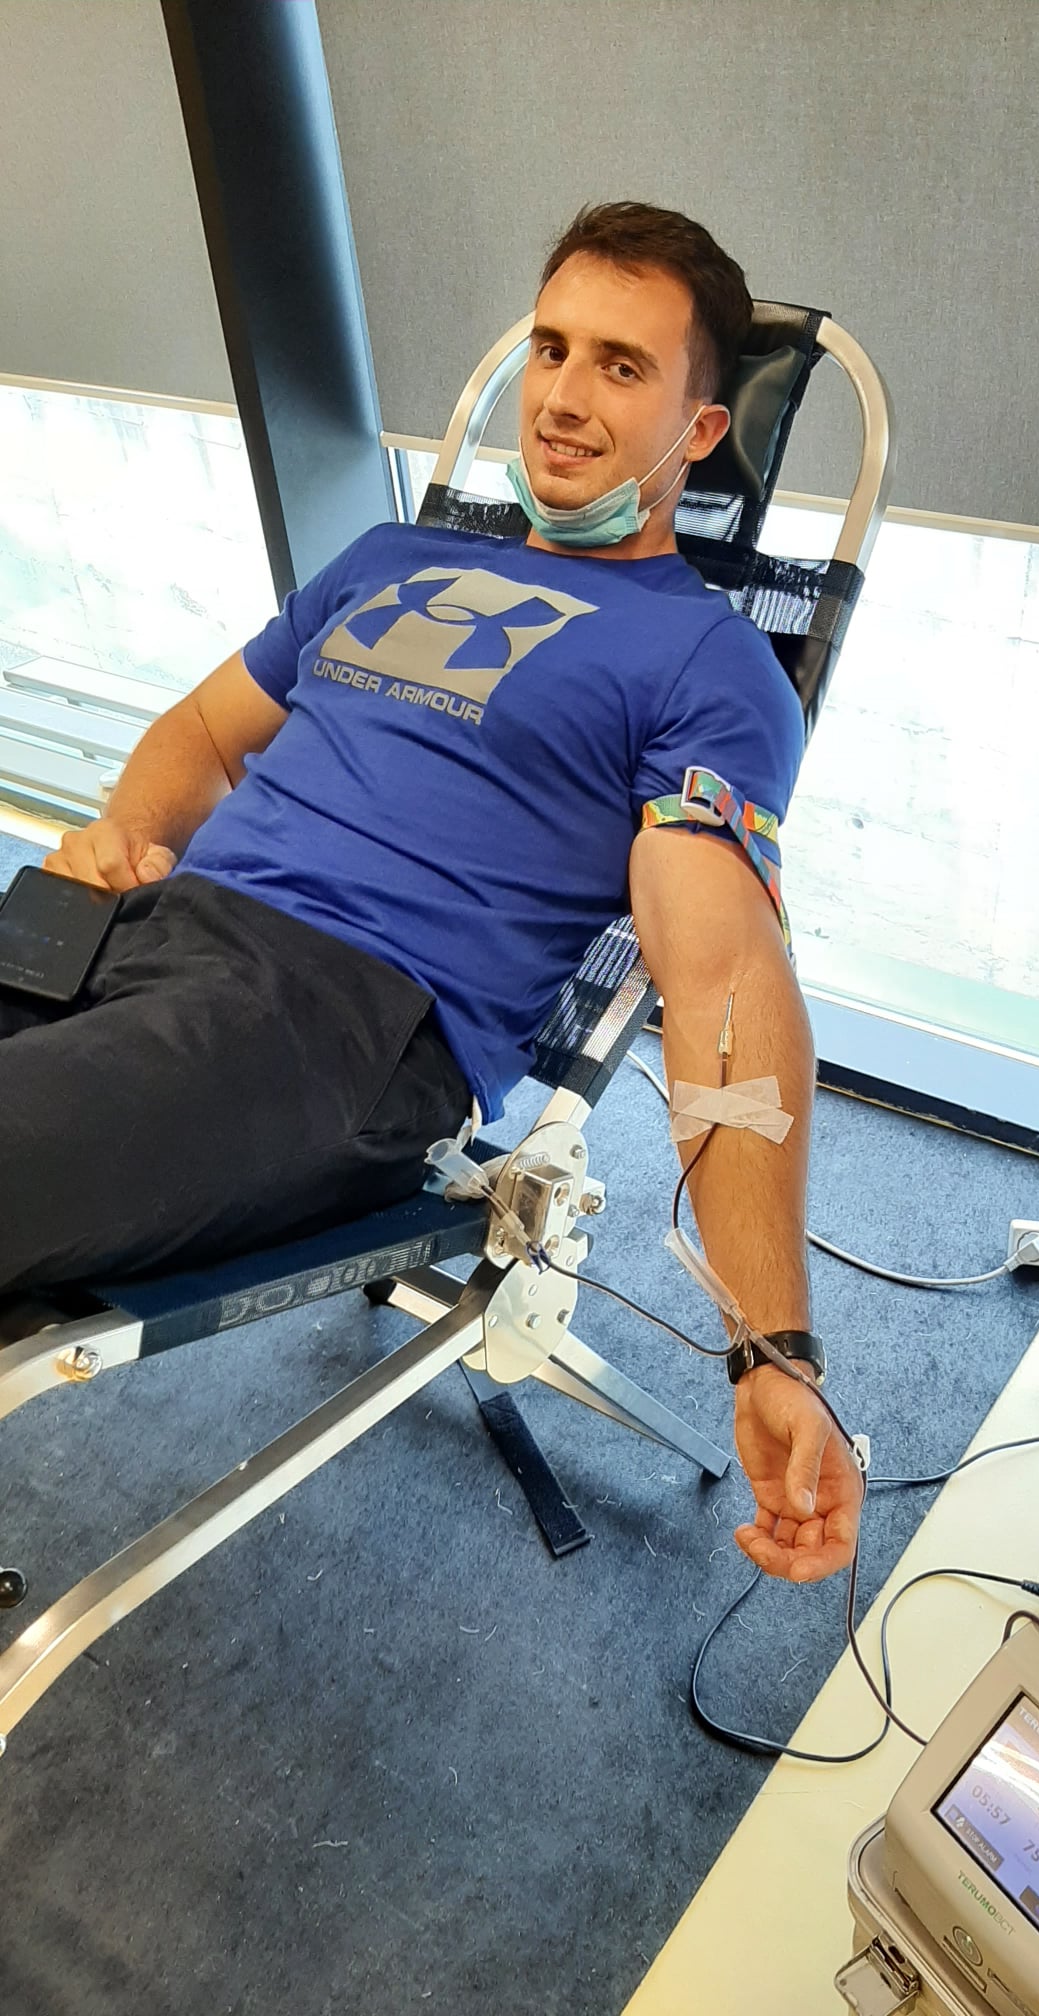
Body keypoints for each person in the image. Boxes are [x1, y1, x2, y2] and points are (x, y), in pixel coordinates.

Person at [0, 202, 861, 1585]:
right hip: (143, 933)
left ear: (702, 430)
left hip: (327, 1021)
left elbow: (721, 977)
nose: (565, 399)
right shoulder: (392, 560)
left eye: (623, 368)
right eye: (553, 349)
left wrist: (775, 1346)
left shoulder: (713, 671)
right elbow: (207, 733)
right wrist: (122, 833)